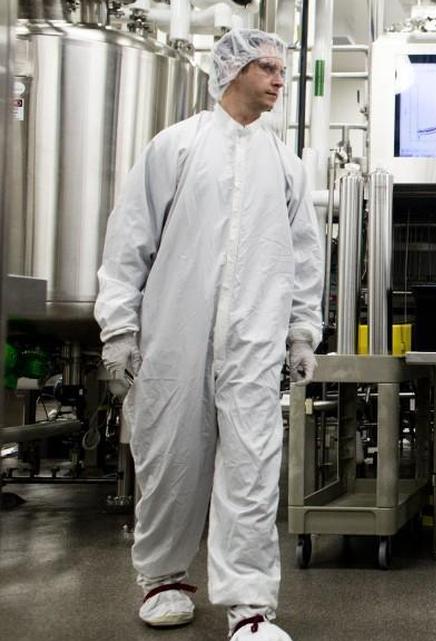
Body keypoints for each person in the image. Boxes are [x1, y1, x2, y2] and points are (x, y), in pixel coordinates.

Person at [95, 28, 324, 641]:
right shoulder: (176, 147)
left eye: (281, 69)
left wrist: (302, 333)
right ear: (232, 72)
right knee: (170, 460)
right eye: (267, 67)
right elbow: (130, 239)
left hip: (254, 340)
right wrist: (119, 327)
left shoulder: (286, 165)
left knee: (253, 468)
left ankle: (250, 606)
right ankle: (163, 579)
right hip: (175, 335)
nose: (280, 79)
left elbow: (305, 257)